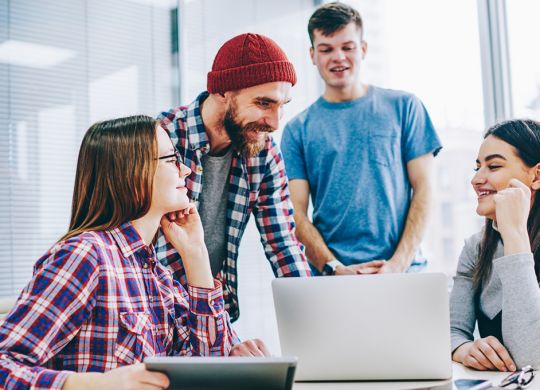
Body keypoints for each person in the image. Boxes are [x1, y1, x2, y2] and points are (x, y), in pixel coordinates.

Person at [0, 115, 237, 389]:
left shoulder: (157, 275)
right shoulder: (86, 255)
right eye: (172, 160)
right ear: (133, 170)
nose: (185, 170)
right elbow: (5, 363)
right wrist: (93, 385)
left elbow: (212, 369)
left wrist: (196, 254)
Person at [156, 33, 311, 323]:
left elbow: (284, 245)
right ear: (222, 91)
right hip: (152, 315)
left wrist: (314, 321)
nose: (275, 123)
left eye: (282, 105)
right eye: (264, 103)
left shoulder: (264, 154)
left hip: (211, 315)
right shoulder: (159, 140)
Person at [281, 2, 442, 276]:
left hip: (404, 272)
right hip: (334, 277)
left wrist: (398, 264)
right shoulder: (297, 130)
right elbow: (294, 212)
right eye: (326, 49)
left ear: (363, 49)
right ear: (312, 55)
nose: (338, 57)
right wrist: (334, 268)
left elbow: (425, 190)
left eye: (347, 47)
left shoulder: (405, 108)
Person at [450, 119, 540, 371]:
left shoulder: (513, 238)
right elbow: (453, 330)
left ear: (536, 176)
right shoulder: (475, 247)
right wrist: (464, 349)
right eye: (477, 167)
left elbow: (533, 356)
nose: (476, 180)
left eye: (494, 166)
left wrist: (515, 235)